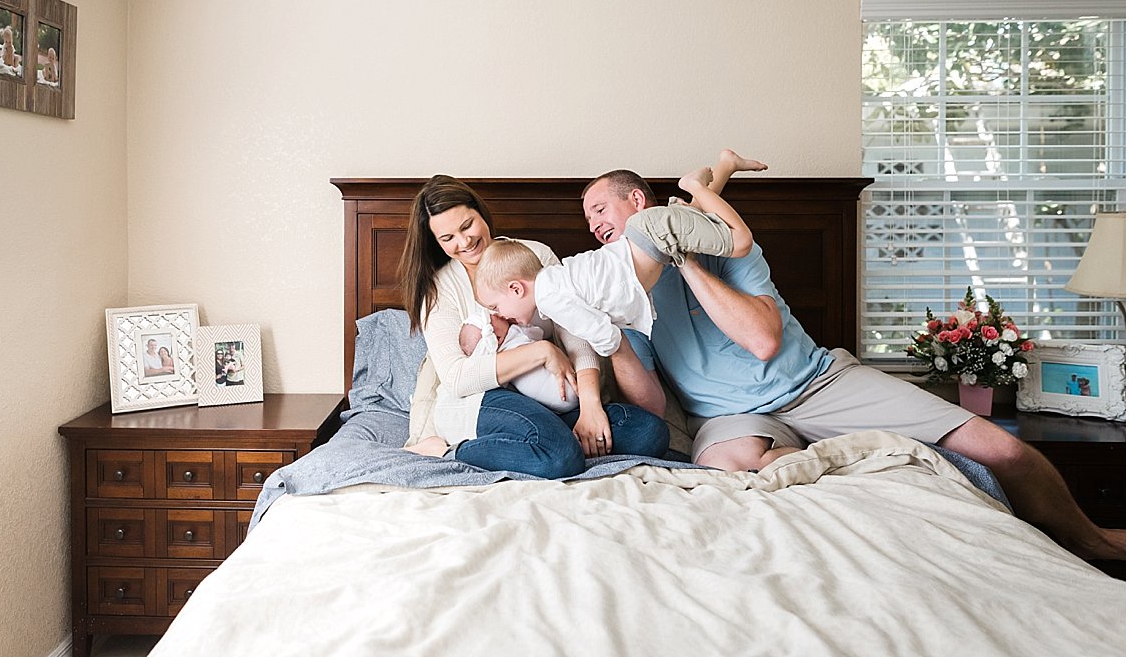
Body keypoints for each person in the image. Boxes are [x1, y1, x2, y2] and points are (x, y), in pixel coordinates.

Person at [580, 157, 1125, 562]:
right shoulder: (624, 293)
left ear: (638, 205)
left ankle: (1092, 540)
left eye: (602, 209)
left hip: (818, 382)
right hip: (729, 416)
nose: (596, 226)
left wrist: (683, 256)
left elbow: (764, 341)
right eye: (588, 222)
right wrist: (612, 333)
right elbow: (651, 403)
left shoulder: (724, 250)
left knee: (1002, 449)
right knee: (726, 475)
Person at [397, 174, 669, 473]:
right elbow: (457, 378)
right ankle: (447, 452)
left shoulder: (534, 254)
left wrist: (591, 405)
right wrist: (542, 351)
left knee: (649, 432)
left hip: (548, 399)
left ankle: (535, 445)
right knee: (560, 457)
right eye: (447, 239)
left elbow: (577, 335)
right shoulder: (439, 289)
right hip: (481, 400)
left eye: (466, 226)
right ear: (436, 243)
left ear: (480, 213)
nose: (464, 242)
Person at [474, 151, 758, 360]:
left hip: (647, 234)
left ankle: (693, 184)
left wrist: (608, 349)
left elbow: (601, 331)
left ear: (515, 288)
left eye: (497, 307)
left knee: (741, 242)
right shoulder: (556, 282)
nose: (499, 316)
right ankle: (726, 163)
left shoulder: (550, 298)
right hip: (648, 239)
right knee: (693, 216)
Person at [458, 311, 578, 413]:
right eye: (490, 317)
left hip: (557, 405)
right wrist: (519, 323)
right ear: (497, 338)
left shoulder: (502, 363)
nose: (495, 313)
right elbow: (539, 332)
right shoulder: (515, 333)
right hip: (567, 387)